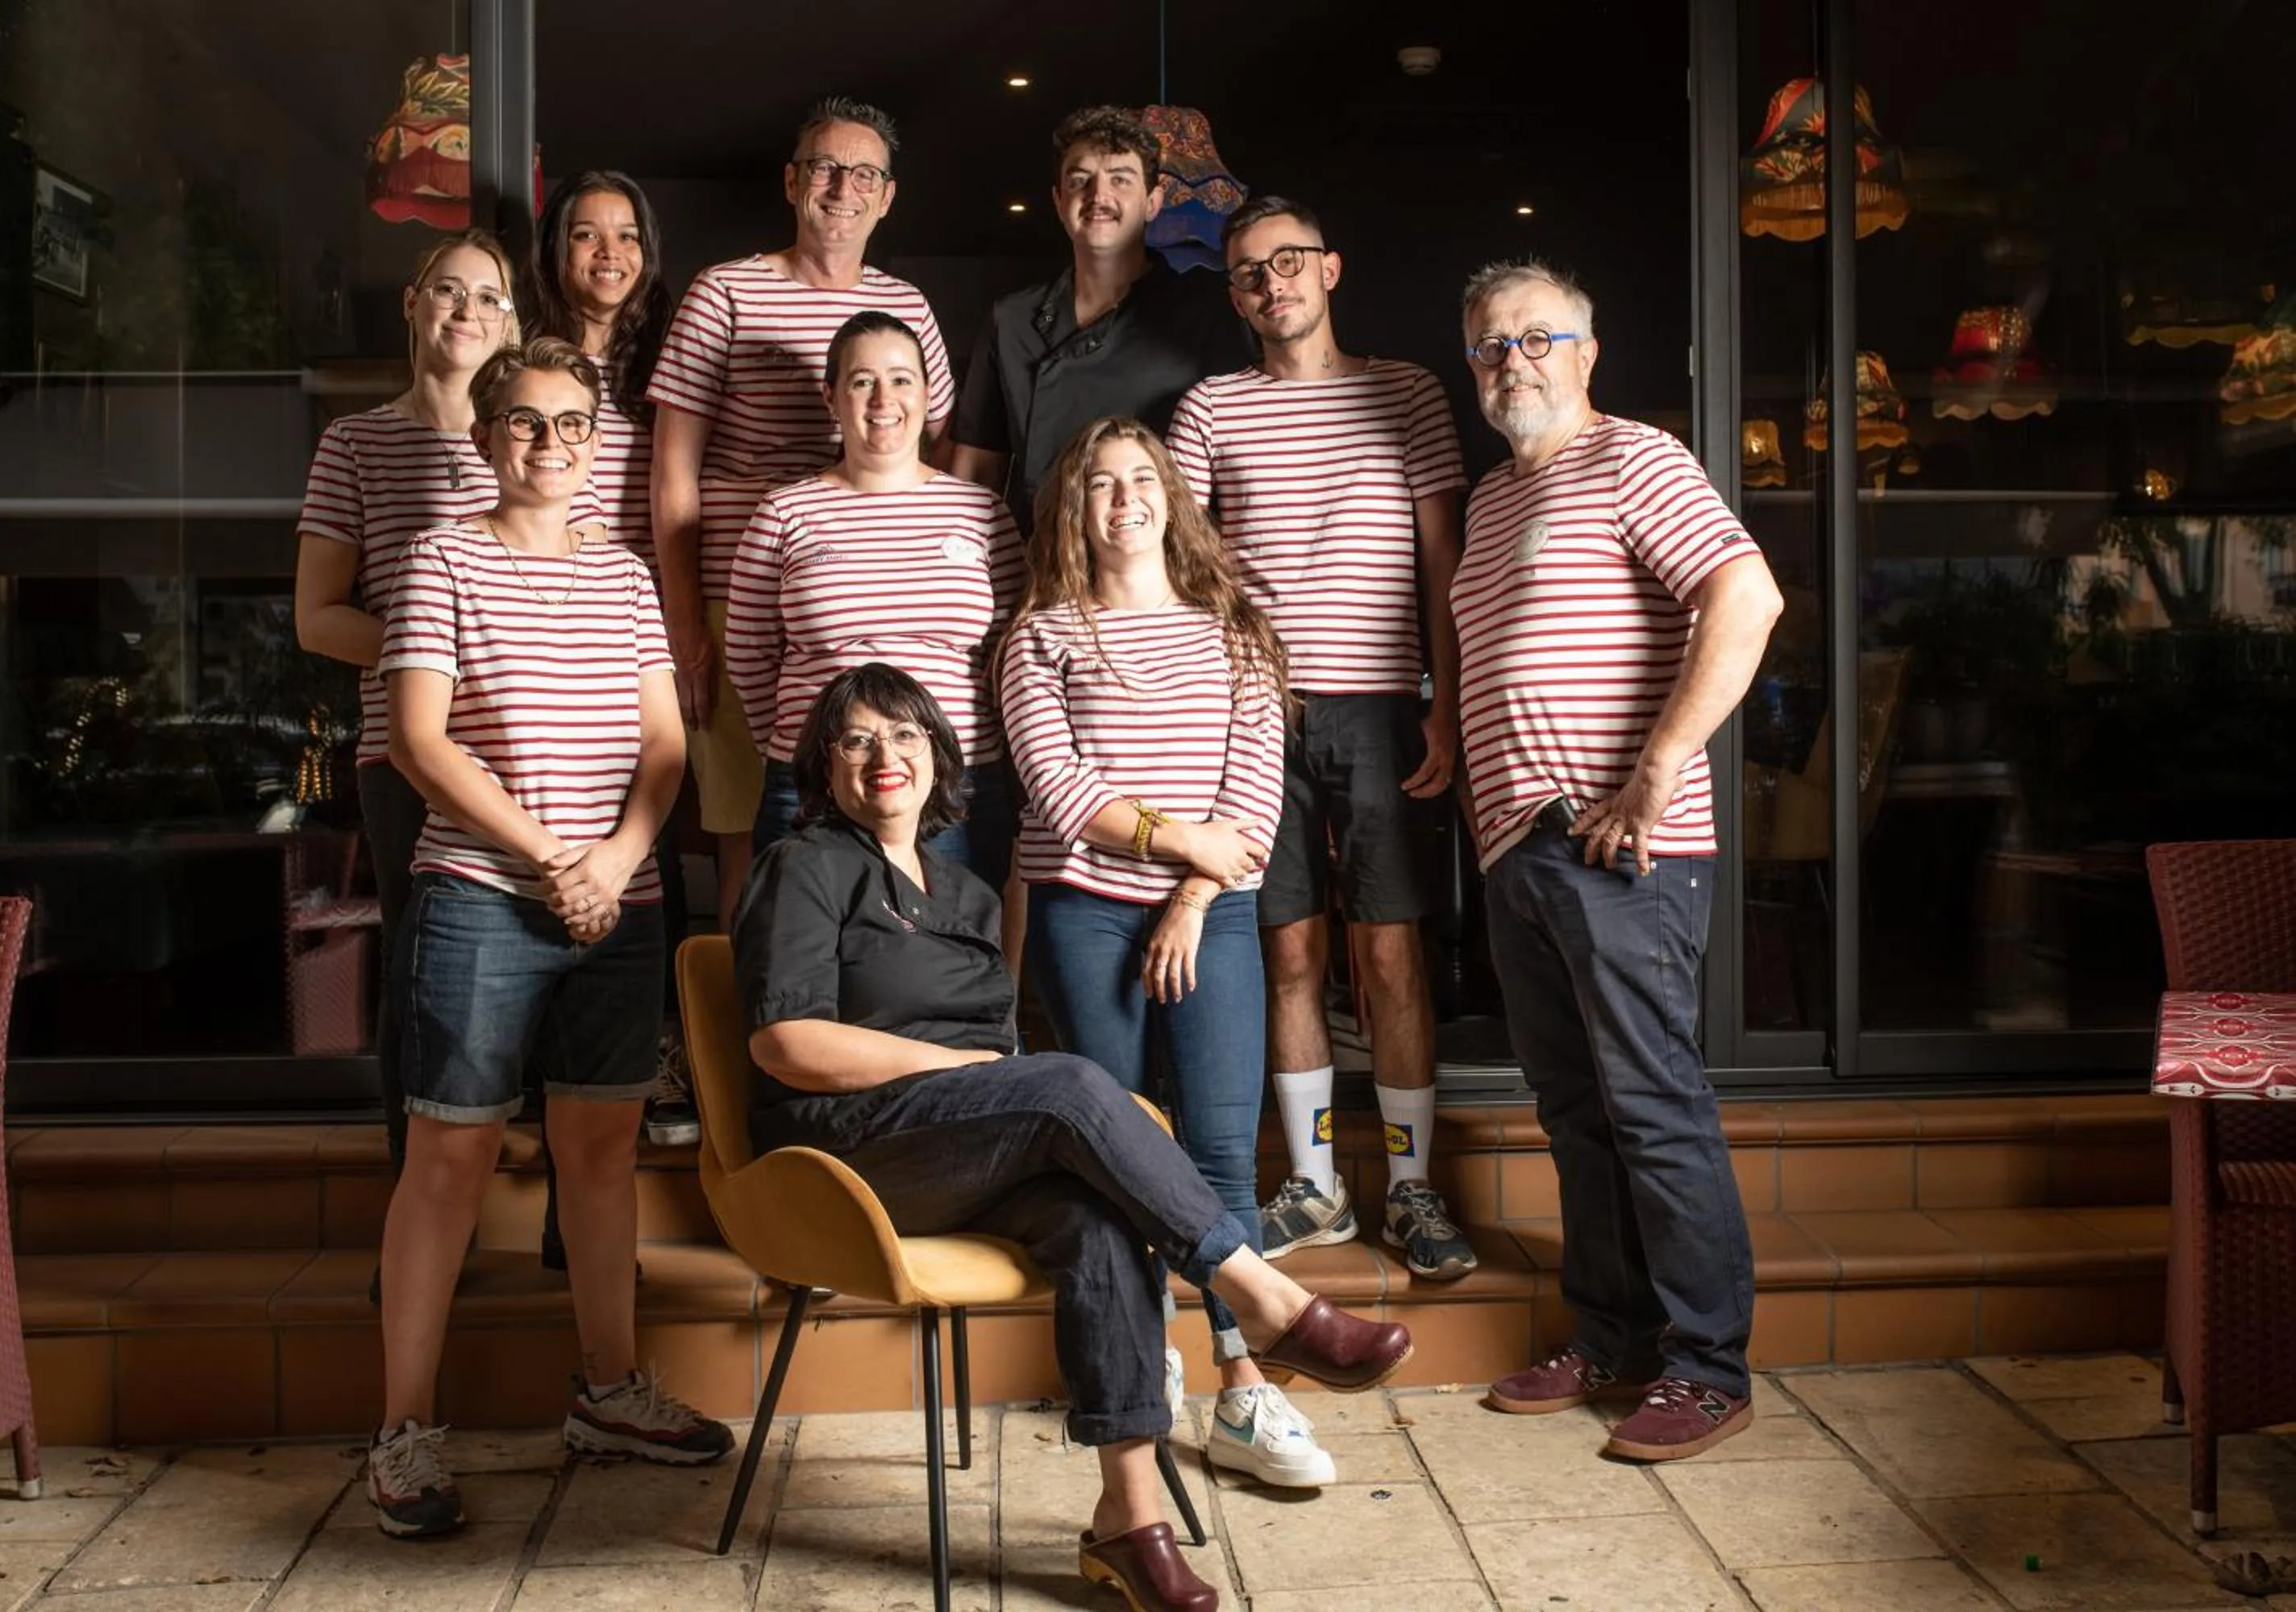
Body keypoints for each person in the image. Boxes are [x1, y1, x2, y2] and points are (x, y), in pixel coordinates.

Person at [734, 661, 1414, 1612]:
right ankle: (1265, 1298)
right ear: (823, 765)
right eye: (856, 738)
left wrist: (982, 1076)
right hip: (842, 1153)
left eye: (905, 734)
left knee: (1100, 1216)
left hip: (955, 1145)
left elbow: (994, 1056)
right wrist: (965, 1069)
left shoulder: (965, 892)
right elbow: (787, 1043)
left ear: (938, 756)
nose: (884, 754)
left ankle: (1128, 1522)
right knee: (1070, 1079)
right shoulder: (803, 865)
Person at [366, 338, 733, 1539]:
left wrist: (618, 861)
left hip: (615, 903)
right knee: (449, 1160)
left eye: (572, 422)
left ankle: (609, 1394)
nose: (549, 442)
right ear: (486, 439)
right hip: (481, 894)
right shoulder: (440, 557)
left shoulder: (624, 574)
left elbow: (665, 744)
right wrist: (551, 858)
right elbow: (420, 741)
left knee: (600, 1153)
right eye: (524, 421)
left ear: (597, 441)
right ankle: (402, 1431)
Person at [1452, 260, 1783, 1461]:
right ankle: (1611, 1335)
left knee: (1651, 1106)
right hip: (1522, 849)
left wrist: (1657, 768)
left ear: (1587, 353)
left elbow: (1746, 597)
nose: (1514, 362)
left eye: (1537, 338)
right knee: (1577, 1114)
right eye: (1491, 345)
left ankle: (1709, 1367)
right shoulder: (1493, 500)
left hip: (1622, 846)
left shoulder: (1635, 458)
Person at [1003, 417, 1346, 1489]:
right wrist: (1180, 841)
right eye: (1100, 484)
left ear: (1171, 496)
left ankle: (1246, 1388)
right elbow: (1058, 790)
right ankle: (1140, 1366)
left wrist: (1195, 893)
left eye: (1142, 479)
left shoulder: (1236, 627)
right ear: (1074, 509)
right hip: (1084, 910)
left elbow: (1254, 791)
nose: (1125, 501)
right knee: (1115, 1150)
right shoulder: (1040, 636)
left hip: (1216, 912)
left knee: (1219, 1148)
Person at [1167, 197, 1476, 1282]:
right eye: (1249, 272)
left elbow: (1442, 556)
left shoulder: (1408, 391)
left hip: (1383, 706)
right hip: (1255, 712)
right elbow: (1186, 568)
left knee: (1390, 952)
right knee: (1287, 950)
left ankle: (1412, 1186)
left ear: (1330, 269)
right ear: (1235, 294)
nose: (1271, 283)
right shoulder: (1210, 406)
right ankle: (1315, 1185)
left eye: (1288, 261)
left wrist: (1445, 698)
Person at [297, 231, 601, 1194]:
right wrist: (446, 667)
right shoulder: (355, 443)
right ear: (413, 303)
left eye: (490, 297)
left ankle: (565, 1216)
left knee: (564, 963)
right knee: (423, 974)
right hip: (409, 754)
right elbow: (317, 617)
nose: (467, 311)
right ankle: (420, 1207)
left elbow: (588, 588)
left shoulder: (541, 438)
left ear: (512, 321)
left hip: (550, 756)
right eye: (448, 291)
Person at [650, 96, 955, 930]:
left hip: (869, 605)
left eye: (864, 175)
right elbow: (672, 473)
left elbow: (932, 453)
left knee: (892, 827)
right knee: (752, 832)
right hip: (741, 604)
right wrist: (687, 628)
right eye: (825, 168)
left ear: (887, 197)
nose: (842, 189)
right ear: (793, 182)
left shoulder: (907, 307)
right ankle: (754, 1002)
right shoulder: (725, 292)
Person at [726, 311, 1021, 883]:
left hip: (953, 785)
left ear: (929, 394)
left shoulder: (981, 511)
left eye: (901, 379)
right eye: (862, 381)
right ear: (831, 397)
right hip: (817, 785)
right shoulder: (785, 512)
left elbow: (1008, 655)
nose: (884, 398)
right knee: (806, 938)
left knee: (954, 940)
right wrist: (809, 744)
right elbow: (749, 654)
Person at [528, 168, 700, 1151]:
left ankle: (651, 1066)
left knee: (648, 849)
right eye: (587, 234)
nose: (609, 253)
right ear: (555, 252)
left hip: (637, 640)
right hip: (537, 638)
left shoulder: (668, 365)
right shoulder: (518, 364)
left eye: (627, 235)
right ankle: (537, 1070)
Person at [946, 106, 1249, 534]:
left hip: (1160, 562)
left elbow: (1240, 469)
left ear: (1152, 202)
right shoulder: (1010, 321)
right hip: (1041, 558)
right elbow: (976, 471)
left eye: (1120, 180)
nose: (1098, 195)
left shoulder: (1207, 315)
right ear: (1059, 201)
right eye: (1079, 180)